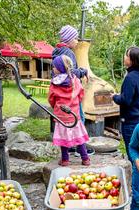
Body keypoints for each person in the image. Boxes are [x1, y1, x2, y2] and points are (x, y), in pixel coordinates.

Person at [52, 25, 94, 156]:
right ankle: (80, 149)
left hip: (60, 100)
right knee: (78, 120)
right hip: (72, 95)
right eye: (75, 38)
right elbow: (71, 71)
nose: (77, 41)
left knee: (64, 123)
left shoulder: (56, 51)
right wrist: (83, 71)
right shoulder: (68, 53)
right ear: (69, 39)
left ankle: (69, 146)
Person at [48, 55, 90, 166]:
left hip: (61, 116)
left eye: (54, 67)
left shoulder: (54, 82)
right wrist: (76, 104)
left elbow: (51, 98)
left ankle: (65, 160)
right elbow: (81, 94)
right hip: (74, 115)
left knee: (63, 137)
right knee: (79, 137)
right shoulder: (75, 80)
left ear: (60, 68)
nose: (53, 69)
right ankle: (85, 159)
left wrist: (55, 107)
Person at [112, 46, 139, 163]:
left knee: (132, 151)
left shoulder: (130, 78)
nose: (124, 57)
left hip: (130, 121)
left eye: (127, 55)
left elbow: (126, 100)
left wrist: (114, 97)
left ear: (132, 60)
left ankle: (136, 176)